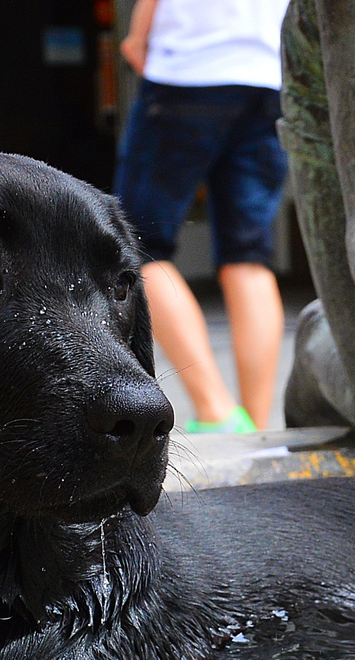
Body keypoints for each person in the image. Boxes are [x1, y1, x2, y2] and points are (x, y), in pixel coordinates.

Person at [115, 0, 289, 433]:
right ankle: (258, 427)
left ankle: (216, 411)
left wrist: (138, 39)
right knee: (248, 256)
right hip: (268, 77)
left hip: (189, 71)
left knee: (137, 245)